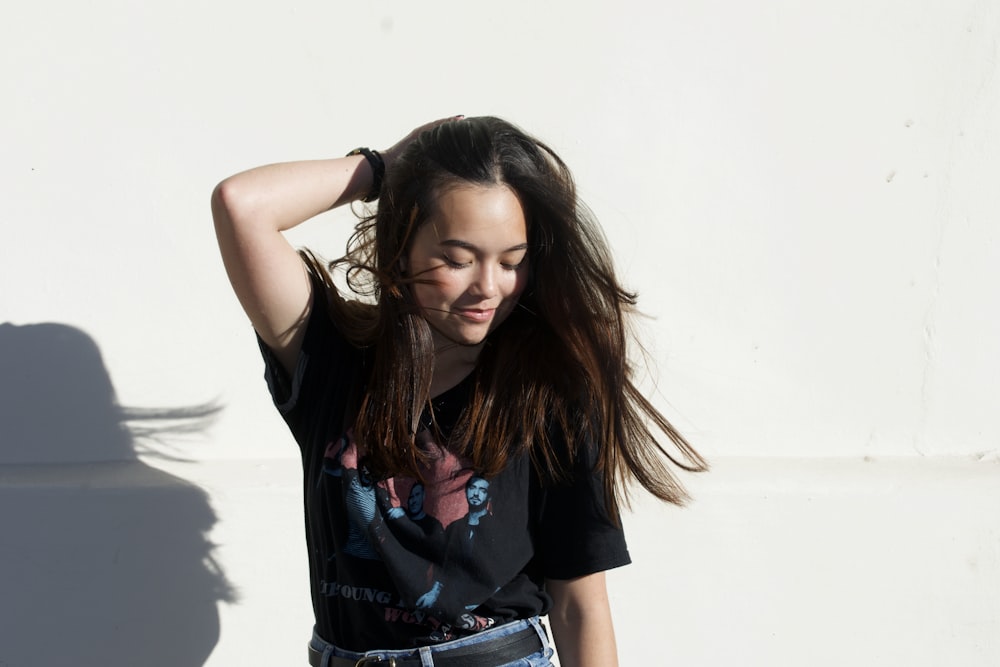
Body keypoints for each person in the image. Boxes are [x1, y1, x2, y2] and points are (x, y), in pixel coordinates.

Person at [212, 115, 707, 666]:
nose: (489, 287)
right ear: (401, 249)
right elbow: (241, 205)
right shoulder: (331, 359)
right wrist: (383, 170)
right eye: (457, 259)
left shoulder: (549, 394)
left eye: (512, 262)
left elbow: (580, 608)